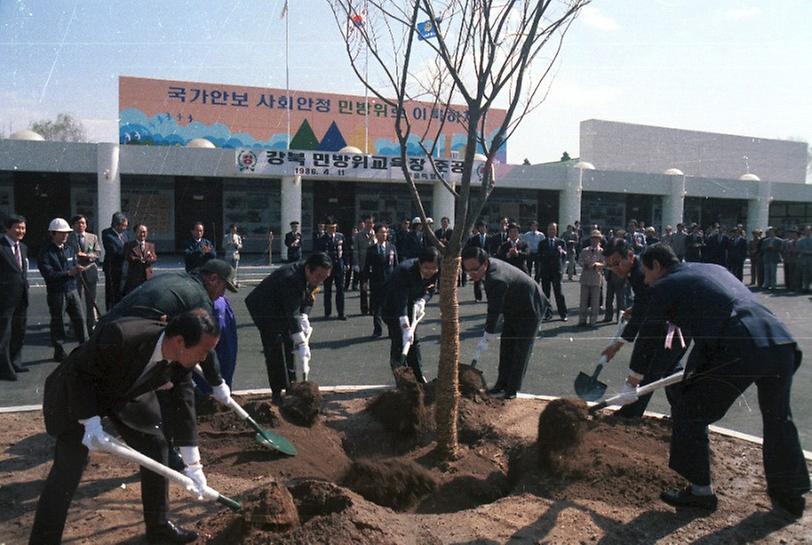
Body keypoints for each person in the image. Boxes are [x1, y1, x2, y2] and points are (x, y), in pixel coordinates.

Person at [620, 245, 809, 517]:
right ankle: (790, 494)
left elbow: (650, 336)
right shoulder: (710, 269)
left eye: (646, 272)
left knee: (688, 411)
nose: (645, 279)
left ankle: (700, 493)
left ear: (657, 266)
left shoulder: (664, 285)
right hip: (778, 339)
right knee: (778, 418)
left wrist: (633, 381)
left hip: (740, 346)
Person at [30, 310, 220, 545]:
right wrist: (90, 421)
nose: (204, 358)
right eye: (203, 351)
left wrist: (193, 464)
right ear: (180, 342)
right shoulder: (121, 335)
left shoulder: (182, 360)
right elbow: (79, 374)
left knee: (156, 445)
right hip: (78, 394)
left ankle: (158, 528)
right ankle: (43, 541)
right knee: (69, 468)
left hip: (126, 391)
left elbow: (184, 402)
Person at [600, 241, 687, 418]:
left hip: (674, 327)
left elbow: (644, 317)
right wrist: (636, 307)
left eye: (617, 263)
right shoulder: (636, 271)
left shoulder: (641, 272)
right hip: (672, 323)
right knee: (671, 370)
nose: (615, 270)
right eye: (609, 266)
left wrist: (618, 345)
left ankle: (630, 414)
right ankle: (684, 413)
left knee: (650, 370)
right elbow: (645, 301)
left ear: (630, 256)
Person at [245, 253, 332, 404]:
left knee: (290, 345)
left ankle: (291, 385)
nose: (320, 281)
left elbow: (309, 298)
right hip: (265, 309)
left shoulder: (313, 275)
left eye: (324, 278)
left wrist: (304, 315)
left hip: (284, 308)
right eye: (319, 276)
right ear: (308, 269)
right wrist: (302, 342)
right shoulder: (291, 278)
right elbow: (291, 313)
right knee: (275, 348)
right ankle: (277, 392)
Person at [462, 246, 548, 400]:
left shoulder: (496, 279)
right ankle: (501, 384)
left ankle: (511, 390)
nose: (471, 274)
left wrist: (487, 334)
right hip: (512, 305)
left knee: (520, 349)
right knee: (506, 344)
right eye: (467, 270)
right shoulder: (488, 270)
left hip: (530, 307)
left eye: (474, 269)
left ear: (484, 263)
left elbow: (494, 311)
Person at [381, 247, 439, 384]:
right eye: (426, 268)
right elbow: (400, 300)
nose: (430, 271)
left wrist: (423, 300)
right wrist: (405, 325)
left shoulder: (437, 270)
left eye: (433, 268)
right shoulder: (405, 271)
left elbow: (431, 289)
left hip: (412, 304)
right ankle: (401, 381)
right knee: (399, 342)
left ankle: (418, 378)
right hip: (393, 307)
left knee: (413, 342)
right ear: (419, 263)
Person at [38, 218, 88, 362]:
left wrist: (78, 268)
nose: (66, 235)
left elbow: (73, 263)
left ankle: (85, 347)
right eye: (62, 233)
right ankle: (59, 351)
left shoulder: (70, 248)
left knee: (80, 319)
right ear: (53, 234)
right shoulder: (46, 252)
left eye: (67, 232)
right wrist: (68, 273)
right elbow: (49, 274)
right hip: (57, 292)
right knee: (58, 321)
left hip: (72, 289)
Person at [0, 214, 29, 381]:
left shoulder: (23, 247)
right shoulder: (1, 247)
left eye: (23, 228)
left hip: (21, 296)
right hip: (4, 298)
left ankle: (15, 361)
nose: (21, 231)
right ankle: (4, 368)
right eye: (17, 227)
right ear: (7, 228)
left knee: (19, 330)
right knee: (4, 333)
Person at [68, 214, 101, 333]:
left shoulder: (92, 237)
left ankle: (92, 325)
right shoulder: (69, 237)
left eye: (83, 223)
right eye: (78, 223)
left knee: (91, 300)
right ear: (73, 225)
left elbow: (98, 253)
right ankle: (74, 327)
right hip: (75, 271)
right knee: (75, 301)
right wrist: (75, 257)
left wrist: (87, 256)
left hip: (90, 270)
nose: (81, 225)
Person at [363, 224, 398, 337]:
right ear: (376, 234)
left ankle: (391, 330)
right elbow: (367, 267)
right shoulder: (371, 249)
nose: (384, 234)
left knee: (390, 307)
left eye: (385, 232)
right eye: (382, 232)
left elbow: (396, 265)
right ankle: (377, 329)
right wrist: (365, 281)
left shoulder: (392, 247)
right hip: (376, 281)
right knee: (376, 307)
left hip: (390, 281)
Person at [537, 222, 568, 321]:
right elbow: (539, 256)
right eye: (550, 229)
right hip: (546, 271)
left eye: (554, 229)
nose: (552, 231)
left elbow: (565, 256)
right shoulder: (542, 243)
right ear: (547, 230)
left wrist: (562, 254)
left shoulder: (561, 242)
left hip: (556, 271)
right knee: (546, 294)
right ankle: (547, 314)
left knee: (559, 293)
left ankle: (563, 314)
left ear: (556, 230)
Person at [316, 223, 347, 320]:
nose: (332, 229)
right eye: (330, 228)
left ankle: (341, 313)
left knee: (340, 290)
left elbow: (345, 251)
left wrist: (346, 263)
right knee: (327, 290)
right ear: (326, 228)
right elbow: (319, 254)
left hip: (339, 266)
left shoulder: (340, 236)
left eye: (334, 227)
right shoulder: (322, 239)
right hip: (327, 267)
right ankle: (327, 313)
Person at [577, 230, 604, 326]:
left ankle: (593, 320)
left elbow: (604, 263)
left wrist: (597, 264)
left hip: (596, 277)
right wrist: (584, 264)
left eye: (596, 239)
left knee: (595, 301)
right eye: (593, 238)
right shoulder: (585, 250)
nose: (594, 241)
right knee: (583, 300)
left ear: (599, 240)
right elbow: (579, 260)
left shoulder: (601, 251)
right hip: (585, 277)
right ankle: (582, 319)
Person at [101, 211, 129, 310]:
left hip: (124, 267)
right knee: (112, 292)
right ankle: (110, 312)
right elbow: (113, 250)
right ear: (116, 225)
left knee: (122, 291)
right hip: (112, 268)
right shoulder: (107, 233)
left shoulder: (125, 235)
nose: (125, 228)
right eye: (123, 226)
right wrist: (128, 252)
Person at [122, 223, 157, 296]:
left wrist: (149, 259)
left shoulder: (150, 245)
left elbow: (154, 258)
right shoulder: (129, 245)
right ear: (135, 233)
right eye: (140, 232)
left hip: (147, 277)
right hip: (134, 278)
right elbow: (129, 257)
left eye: (144, 232)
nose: (142, 234)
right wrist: (140, 260)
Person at [353, 216, 376, 314]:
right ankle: (364, 308)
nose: (369, 225)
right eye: (367, 223)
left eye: (371, 223)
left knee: (374, 288)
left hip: (374, 265)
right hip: (363, 264)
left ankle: (373, 308)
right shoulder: (359, 235)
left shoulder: (376, 234)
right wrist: (356, 264)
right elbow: (355, 250)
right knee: (364, 288)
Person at [464, 220, 489, 301]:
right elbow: (471, 249)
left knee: (488, 280)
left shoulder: (490, 238)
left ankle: (489, 296)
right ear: (478, 229)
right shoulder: (474, 239)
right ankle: (478, 297)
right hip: (477, 261)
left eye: (484, 227)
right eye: (480, 228)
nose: (482, 229)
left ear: (486, 228)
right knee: (477, 279)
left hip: (486, 261)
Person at [797, 225, 812, 293]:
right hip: (804, 259)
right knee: (805, 274)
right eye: (806, 231)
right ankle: (806, 287)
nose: (807, 232)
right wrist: (804, 251)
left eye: (808, 231)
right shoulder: (800, 240)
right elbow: (798, 249)